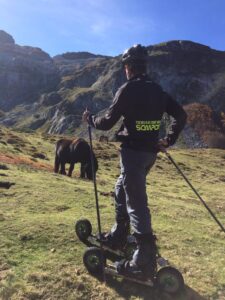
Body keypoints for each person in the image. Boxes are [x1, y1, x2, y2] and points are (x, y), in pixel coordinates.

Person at [82, 44, 187, 279]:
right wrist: (168, 140)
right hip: (149, 155)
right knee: (121, 189)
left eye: (126, 67)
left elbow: (107, 122)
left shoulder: (128, 89)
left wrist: (90, 119)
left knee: (136, 203)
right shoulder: (158, 91)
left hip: (132, 154)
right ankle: (120, 234)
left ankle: (143, 261)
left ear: (128, 67)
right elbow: (181, 115)